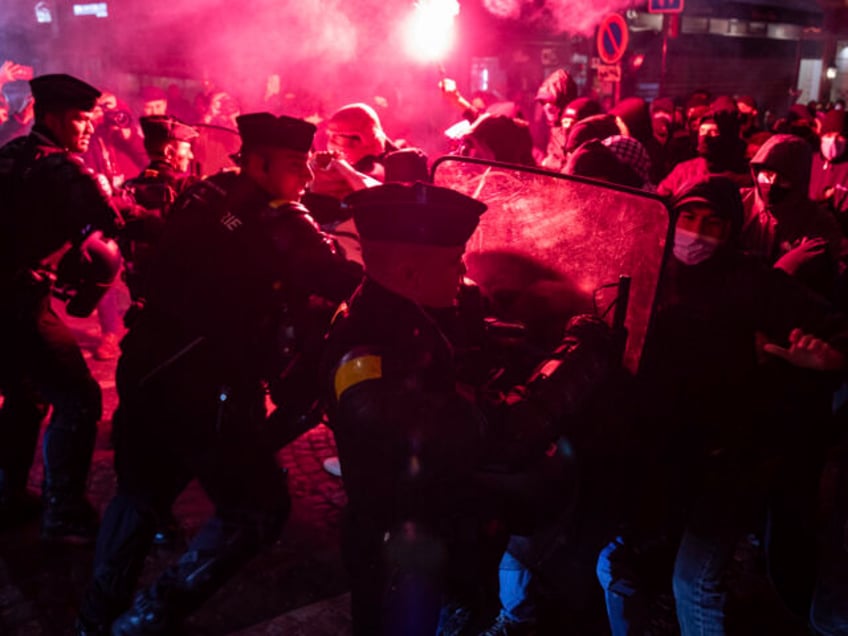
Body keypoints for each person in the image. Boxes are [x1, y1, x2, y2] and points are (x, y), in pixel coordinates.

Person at [74, 112, 362, 635]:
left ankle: (97, 617)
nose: (308, 178)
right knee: (257, 508)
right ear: (258, 162)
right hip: (211, 387)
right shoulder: (280, 222)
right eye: (297, 165)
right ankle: (147, 620)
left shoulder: (206, 192)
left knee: (139, 493)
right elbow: (343, 278)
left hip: (147, 365)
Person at [323, 181, 618, 635]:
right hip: (408, 556)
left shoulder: (401, 312)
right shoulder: (372, 363)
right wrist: (580, 354)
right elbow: (503, 436)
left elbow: (462, 351)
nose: (462, 272)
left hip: (440, 535)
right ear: (409, 273)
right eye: (452, 261)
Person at [596, 176, 848, 635]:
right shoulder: (644, 268)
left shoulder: (749, 279)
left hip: (727, 457)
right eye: (687, 218)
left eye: (712, 224)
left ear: (730, 232)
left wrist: (827, 356)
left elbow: (826, 322)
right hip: (655, 456)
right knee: (617, 563)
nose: (695, 233)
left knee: (694, 580)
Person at [0, 73, 122, 542]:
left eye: (90, 118)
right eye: (79, 118)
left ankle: (8, 496)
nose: (88, 127)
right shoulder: (64, 170)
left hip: (5, 300)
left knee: (24, 396)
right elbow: (111, 224)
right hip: (23, 302)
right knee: (79, 397)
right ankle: (63, 512)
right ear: (51, 117)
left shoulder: (11, 153)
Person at [120, 114, 199, 321]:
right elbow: (224, 220)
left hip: (137, 282)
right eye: (187, 148)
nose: (190, 156)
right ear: (169, 152)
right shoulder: (187, 186)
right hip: (177, 284)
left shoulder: (128, 186)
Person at [534, 68, 578, 171]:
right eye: (543, 102)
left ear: (564, 101)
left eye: (552, 101)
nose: (546, 107)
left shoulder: (575, 130)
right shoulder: (553, 126)